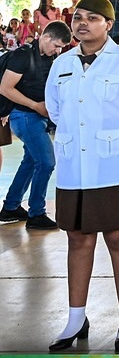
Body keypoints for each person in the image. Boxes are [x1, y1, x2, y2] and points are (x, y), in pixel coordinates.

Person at [44, 0, 119, 352]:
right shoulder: (62, 64)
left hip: (113, 168)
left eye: (92, 18)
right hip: (73, 169)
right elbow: (55, 109)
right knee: (78, 240)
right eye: (78, 17)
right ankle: (76, 318)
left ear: (108, 25)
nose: (82, 24)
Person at [0, 19, 70, 230]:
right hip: (24, 116)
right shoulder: (23, 55)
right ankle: (36, 213)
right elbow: (5, 88)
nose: (57, 50)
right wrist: (36, 106)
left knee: (31, 162)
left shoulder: (49, 57)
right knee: (47, 162)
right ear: (46, 37)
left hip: (37, 117)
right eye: (56, 45)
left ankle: (11, 207)